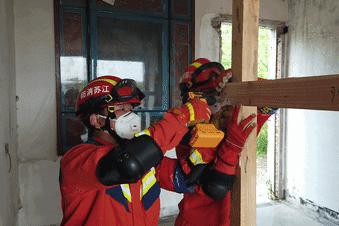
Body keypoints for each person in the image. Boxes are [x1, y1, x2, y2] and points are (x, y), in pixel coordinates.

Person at [59, 75, 211, 226]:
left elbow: (188, 180)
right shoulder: (76, 159)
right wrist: (181, 118)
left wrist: (196, 134)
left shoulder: (147, 160)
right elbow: (127, 163)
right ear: (97, 120)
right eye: (120, 108)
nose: (130, 115)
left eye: (131, 108)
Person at [173, 58, 278, 226]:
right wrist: (231, 146)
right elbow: (208, 182)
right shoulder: (185, 128)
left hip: (231, 216)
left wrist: (252, 88)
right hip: (196, 220)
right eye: (208, 96)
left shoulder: (230, 120)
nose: (216, 103)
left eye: (217, 96)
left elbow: (267, 106)